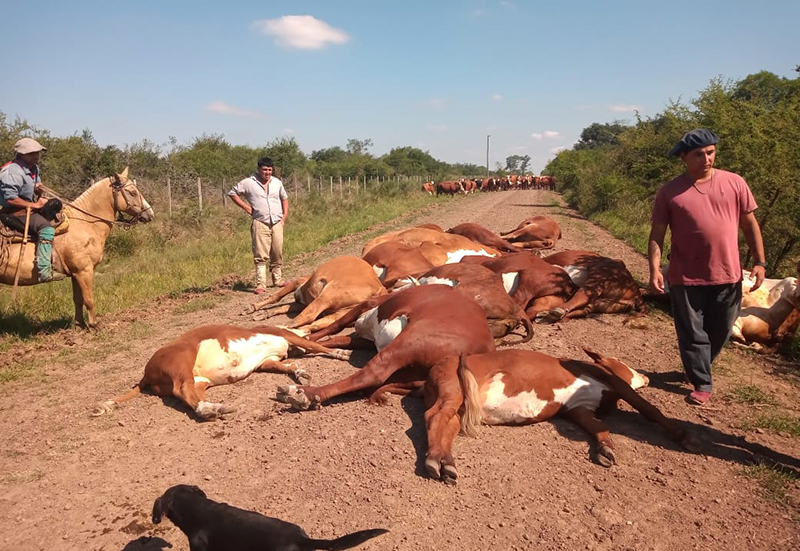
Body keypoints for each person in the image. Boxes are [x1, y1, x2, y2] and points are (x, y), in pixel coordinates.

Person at [648, 128, 766, 405]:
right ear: (683, 158)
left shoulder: (735, 183)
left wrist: (760, 261)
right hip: (685, 275)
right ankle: (702, 381)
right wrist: (654, 268)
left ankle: (700, 365)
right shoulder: (670, 192)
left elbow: (749, 224)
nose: (706, 158)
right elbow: (657, 235)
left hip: (728, 273)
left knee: (721, 329)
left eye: (710, 152)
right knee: (691, 332)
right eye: (699, 154)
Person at [0, 137, 58, 281]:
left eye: (37, 153)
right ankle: (44, 271)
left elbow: (33, 188)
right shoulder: (11, 171)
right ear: (22, 154)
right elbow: (11, 199)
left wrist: (38, 191)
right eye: (32, 153)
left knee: (56, 204)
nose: (36, 156)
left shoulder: (33, 168)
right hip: (13, 212)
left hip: (27, 208)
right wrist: (36, 205)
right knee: (47, 229)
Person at [229, 157, 289, 294]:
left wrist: (284, 216)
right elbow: (232, 193)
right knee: (260, 254)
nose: (267, 172)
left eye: (269, 170)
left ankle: (277, 280)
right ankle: (261, 284)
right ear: (258, 169)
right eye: (264, 169)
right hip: (260, 222)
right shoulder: (249, 182)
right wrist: (247, 208)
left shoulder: (277, 182)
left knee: (277, 251)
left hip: (277, 222)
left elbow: (284, 198)